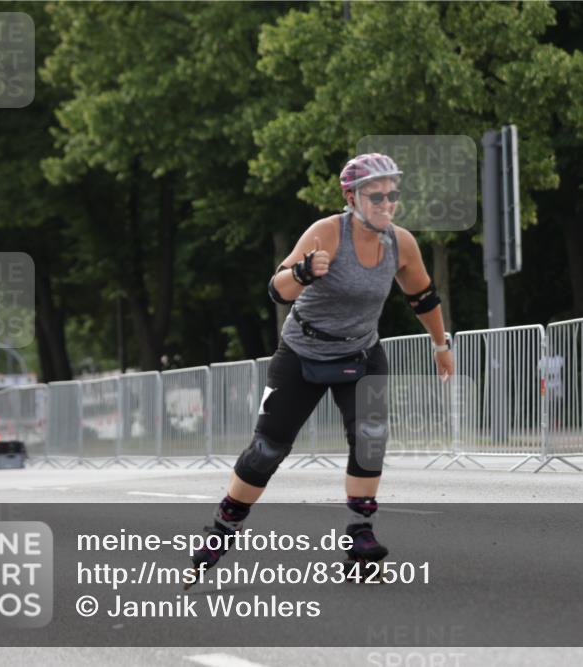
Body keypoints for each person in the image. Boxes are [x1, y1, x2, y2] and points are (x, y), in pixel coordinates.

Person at [184, 153, 454, 588]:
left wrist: (441, 345)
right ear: (351, 197)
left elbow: (422, 297)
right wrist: (305, 272)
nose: (387, 203)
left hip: (361, 353)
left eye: (393, 194)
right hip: (302, 353)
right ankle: (222, 529)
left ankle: (360, 536)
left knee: (370, 439)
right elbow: (277, 289)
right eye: (376, 195)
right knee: (268, 450)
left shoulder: (401, 243)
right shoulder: (327, 232)